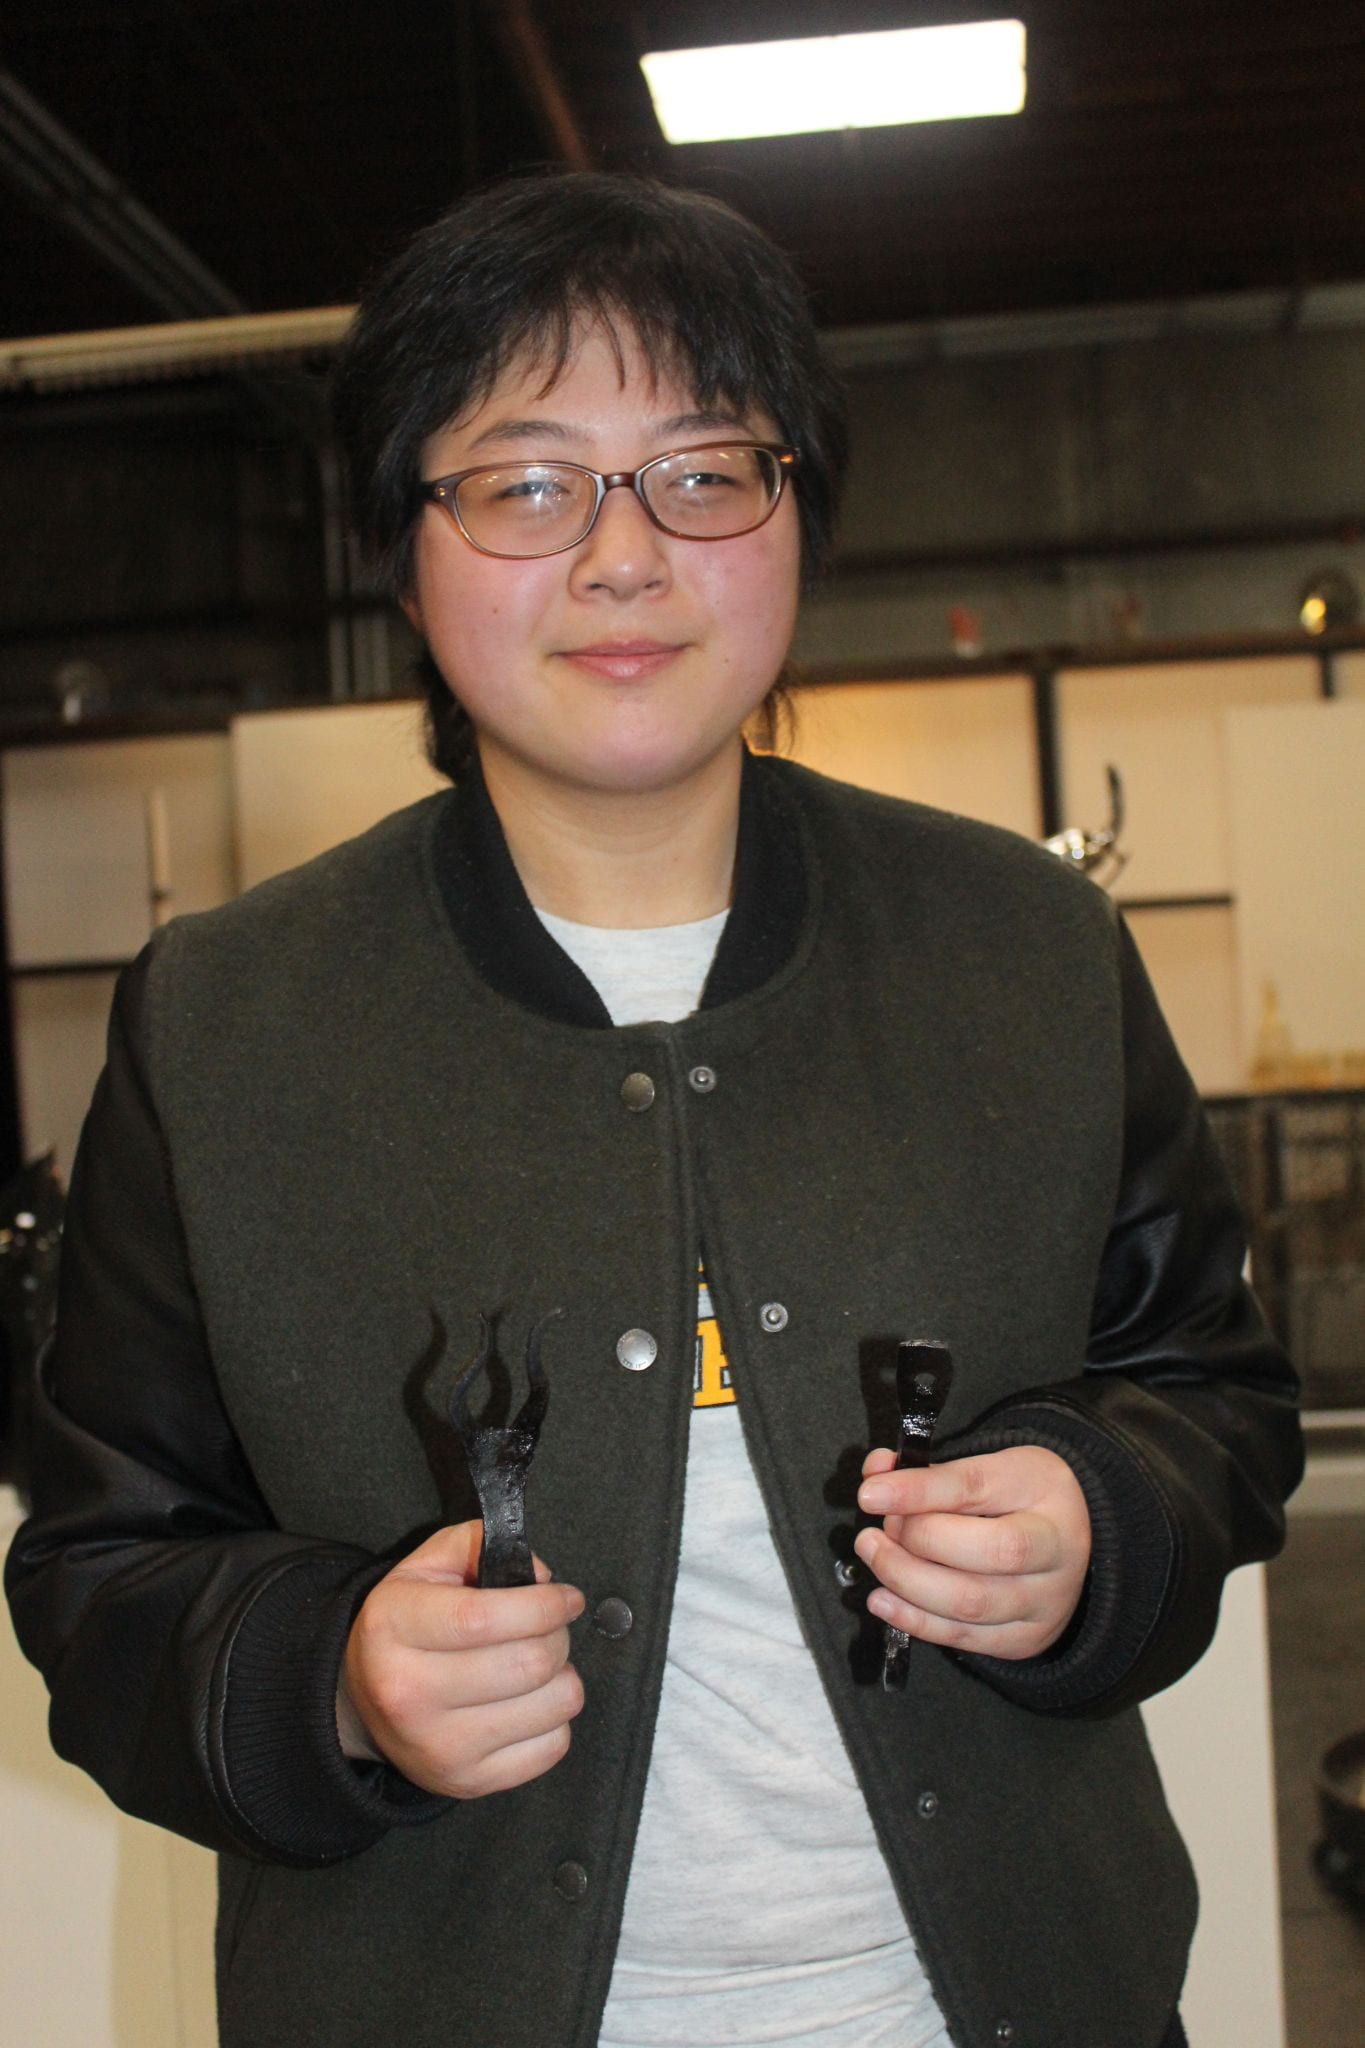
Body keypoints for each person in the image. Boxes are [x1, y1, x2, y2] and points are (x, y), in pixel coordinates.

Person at [5, 172, 1301, 2048]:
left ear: (797, 517)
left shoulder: (1026, 947)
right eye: (525, 483)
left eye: (702, 472)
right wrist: (335, 1683)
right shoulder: (225, 1019)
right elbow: (102, 1574)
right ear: (404, 548)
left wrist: (1103, 1518)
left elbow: (1213, 1399)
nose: (623, 557)